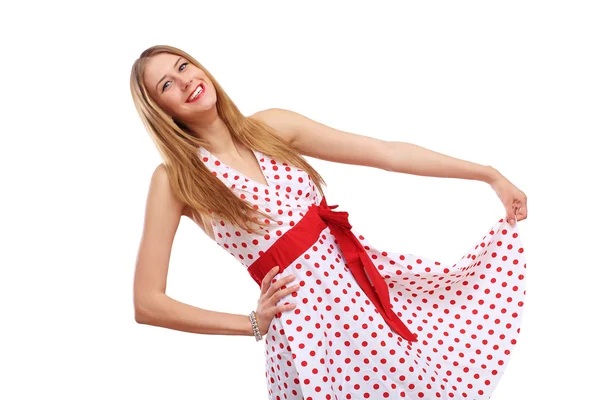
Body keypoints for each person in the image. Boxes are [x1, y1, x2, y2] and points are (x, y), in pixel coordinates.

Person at [130, 44, 528, 399]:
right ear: (159, 110)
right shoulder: (174, 180)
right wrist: (252, 323)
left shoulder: (270, 127)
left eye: (184, 67)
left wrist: (487, 174)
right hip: (309, 336)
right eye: (166, 84)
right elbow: (148, 303)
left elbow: (386, 153)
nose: (185, 82)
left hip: (364, 293)